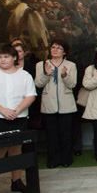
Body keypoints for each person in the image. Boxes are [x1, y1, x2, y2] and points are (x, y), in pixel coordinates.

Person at [0, 43, 43, 193]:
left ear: (14, 57)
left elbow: (31, 95)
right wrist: (3, 110)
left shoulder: (24, 75)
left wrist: (17, 110)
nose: (3, 60)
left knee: (16, 149)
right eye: (0, 57)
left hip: (19, 116)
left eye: (6, 56)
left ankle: (16, 181)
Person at [35, 39, 78, 169]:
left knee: (66, 134)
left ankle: (66, 159)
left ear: (64, 52)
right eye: (53, 47)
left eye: (59, 48)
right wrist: (46, 74)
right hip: (49, 104)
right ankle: (53, 160)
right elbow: (38, 84)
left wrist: (65, 76)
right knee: (51, 135)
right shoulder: (41, 64)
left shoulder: (71, 65)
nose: (55, 50)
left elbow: (72, 84)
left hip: (66, 104)